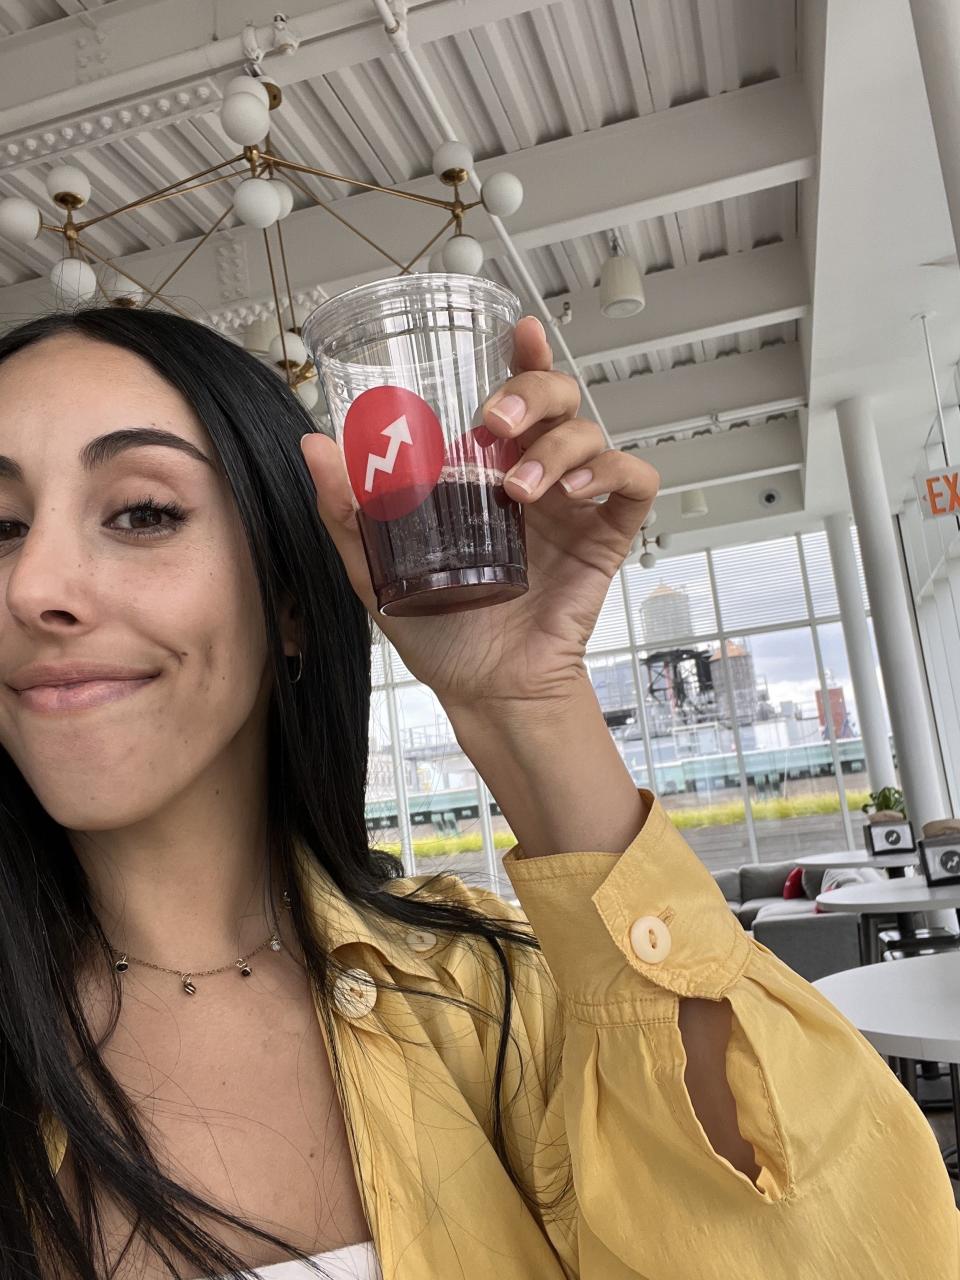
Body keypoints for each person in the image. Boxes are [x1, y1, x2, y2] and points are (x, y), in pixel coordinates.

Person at [0, 304, 954, 1280]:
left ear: (290, 601)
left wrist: (529, 701)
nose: (31, 585)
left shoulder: (493, 1000)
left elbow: (841, 1249)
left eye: (141, 511)